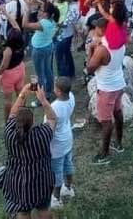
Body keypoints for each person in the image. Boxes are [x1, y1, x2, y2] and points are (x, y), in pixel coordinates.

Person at [0, 82, 57, 218]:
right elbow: (52, 118)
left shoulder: (9, 133)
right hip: (41, 180)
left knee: (23, 212)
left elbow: (12, 113)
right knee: (43, 209)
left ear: (16, 122)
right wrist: (43, 100)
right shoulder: (42, 134)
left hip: (17, 182)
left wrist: (23, 94)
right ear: (33, 121)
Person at [87, 17, 126, 164]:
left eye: (96, 29)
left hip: (106, 88)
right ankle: (119, 143)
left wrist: (91, 49)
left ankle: (104, 154)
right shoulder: (119, 42)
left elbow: (90, 68)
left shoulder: (102, 49)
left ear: (101, 30)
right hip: (118, 83)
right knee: (118, 112)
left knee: (106, 121)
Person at [49, 77, 76, 209]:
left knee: (57, 172)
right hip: (68, 138)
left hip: (57, 145)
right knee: (68, 164)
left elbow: (48, 130)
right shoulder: (71, 96)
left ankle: (56, 199)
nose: (53, 88)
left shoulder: (53, 108)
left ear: (58, 92)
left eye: (55, 87)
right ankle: (69, 188)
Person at [25, 1, 60, 101]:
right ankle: (49, 91)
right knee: (48, 70)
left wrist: (27, 9)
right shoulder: (52, 20)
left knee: (39, 74)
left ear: (46, 13)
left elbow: (25, 24)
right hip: (48, 46)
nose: (39, 11)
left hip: (39, 49)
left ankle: (41, 98)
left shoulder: (43, 23)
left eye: (41, 10)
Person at [0, 28, 27, 122]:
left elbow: (4, 66)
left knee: (8, 101)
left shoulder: (8, 49)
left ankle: (7, 121)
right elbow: (16, 27)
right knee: (20, 95)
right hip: (20, 68)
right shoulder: (21, 42)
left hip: (9, 75)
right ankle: (23, 116)